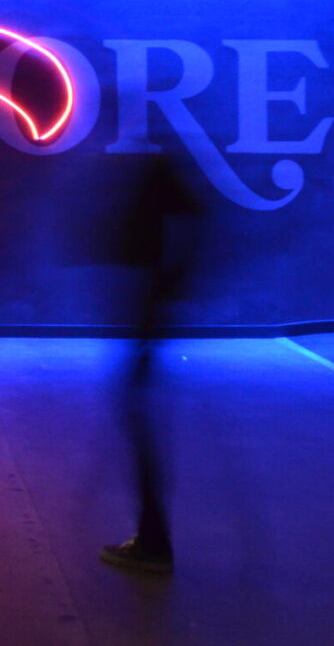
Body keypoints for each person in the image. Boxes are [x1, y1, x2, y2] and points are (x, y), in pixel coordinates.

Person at [99, 154, 202, 574]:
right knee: (139, 419)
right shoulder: (157, 164)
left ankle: (154, 542)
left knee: (139, 421)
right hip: (148, 316)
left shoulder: (153, 166)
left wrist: (162, 299)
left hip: (147, 316)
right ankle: (153, 536)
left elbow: (191, 223)